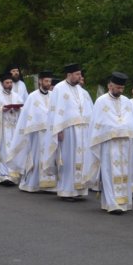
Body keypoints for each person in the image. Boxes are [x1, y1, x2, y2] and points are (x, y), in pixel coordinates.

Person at [86, 72, 133, 214]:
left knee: (125, 170)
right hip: (109, 142)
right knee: (109, 172)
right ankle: (112, 204)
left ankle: (124, 202)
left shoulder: (126, 101)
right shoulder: (101, 101)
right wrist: (114, 128)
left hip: (124, 142)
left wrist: (124, 128)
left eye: (122, 88)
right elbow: (98, 122)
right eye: (117, 87)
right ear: (110, 86)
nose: (120, 90)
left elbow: (131, 120)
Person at [46, 64, 92, 201]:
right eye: (77, 74)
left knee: (82, 159)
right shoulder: (59, 88)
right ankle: (66, 190)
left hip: (82, 130)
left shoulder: (82, 90)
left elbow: (89, 108)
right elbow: (54, 111)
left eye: (80, 74)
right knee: (68, 160)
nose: (79, 77)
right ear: (69, 74)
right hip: (67, 130)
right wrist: (57, 129)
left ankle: (80, 190)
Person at [13, 70, 57, 192]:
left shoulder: (53, 96)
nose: (48, 83)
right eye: (46, 81)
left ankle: (49, 184)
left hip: (50, 133)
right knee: (37, 158)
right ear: (40, 81)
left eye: (50, 81)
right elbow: (26, 115)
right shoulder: (32, 97)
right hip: (37, 133)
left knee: (50, 157)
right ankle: (34, 183)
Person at [0, 72, 25, 186]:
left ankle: (14, 174)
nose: (10, 84)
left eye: (11, 83)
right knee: (4, 152)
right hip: (3, 129)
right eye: (7, 83)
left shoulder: (16, 96)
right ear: (2, 83)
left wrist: (18, 109)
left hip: (15, 127)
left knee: (14, 150)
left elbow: (23, 110)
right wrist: (1, 110)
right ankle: (4, 175)